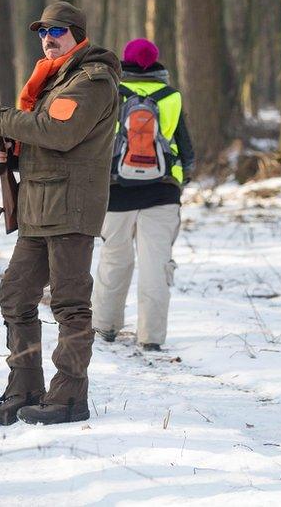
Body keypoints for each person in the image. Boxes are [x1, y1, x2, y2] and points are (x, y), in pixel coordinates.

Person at [0, 2, 121, 426]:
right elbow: (43, 145)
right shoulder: (57, 80)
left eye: (56, 31)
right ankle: (25, 387)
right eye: (42, 32)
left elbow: (60, 133)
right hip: (39, 207)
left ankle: (70, 397)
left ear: (77, 34)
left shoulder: (92, 80)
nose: (48, 39)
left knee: (70, 305)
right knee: (15, 297)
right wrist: (8, 158)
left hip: (71, 208)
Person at [91, 38, 195, 352]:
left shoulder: (111, 94)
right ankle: (151, 336)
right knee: (156, 265)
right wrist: (177, 184)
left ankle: (105, 327)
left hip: (116, 193)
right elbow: (186, 153)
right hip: (161, 195)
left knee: (114, 261)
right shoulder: (171, 97)